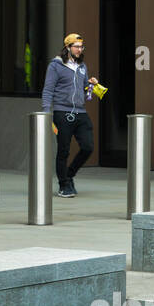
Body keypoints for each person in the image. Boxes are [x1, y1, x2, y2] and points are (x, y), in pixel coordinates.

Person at [40, 33, 100, 197]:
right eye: (76, 46)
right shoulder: (55, 66)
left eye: (81, 47)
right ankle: (63, 185)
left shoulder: (82, 67)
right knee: (63, 150)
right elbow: (48, 90)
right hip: (62, 112)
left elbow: (84, 91)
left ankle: (69, 174)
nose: (80, 50)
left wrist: (91, 87)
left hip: (80, 112)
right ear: (67, 48)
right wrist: (46, 112)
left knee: (88, 147)